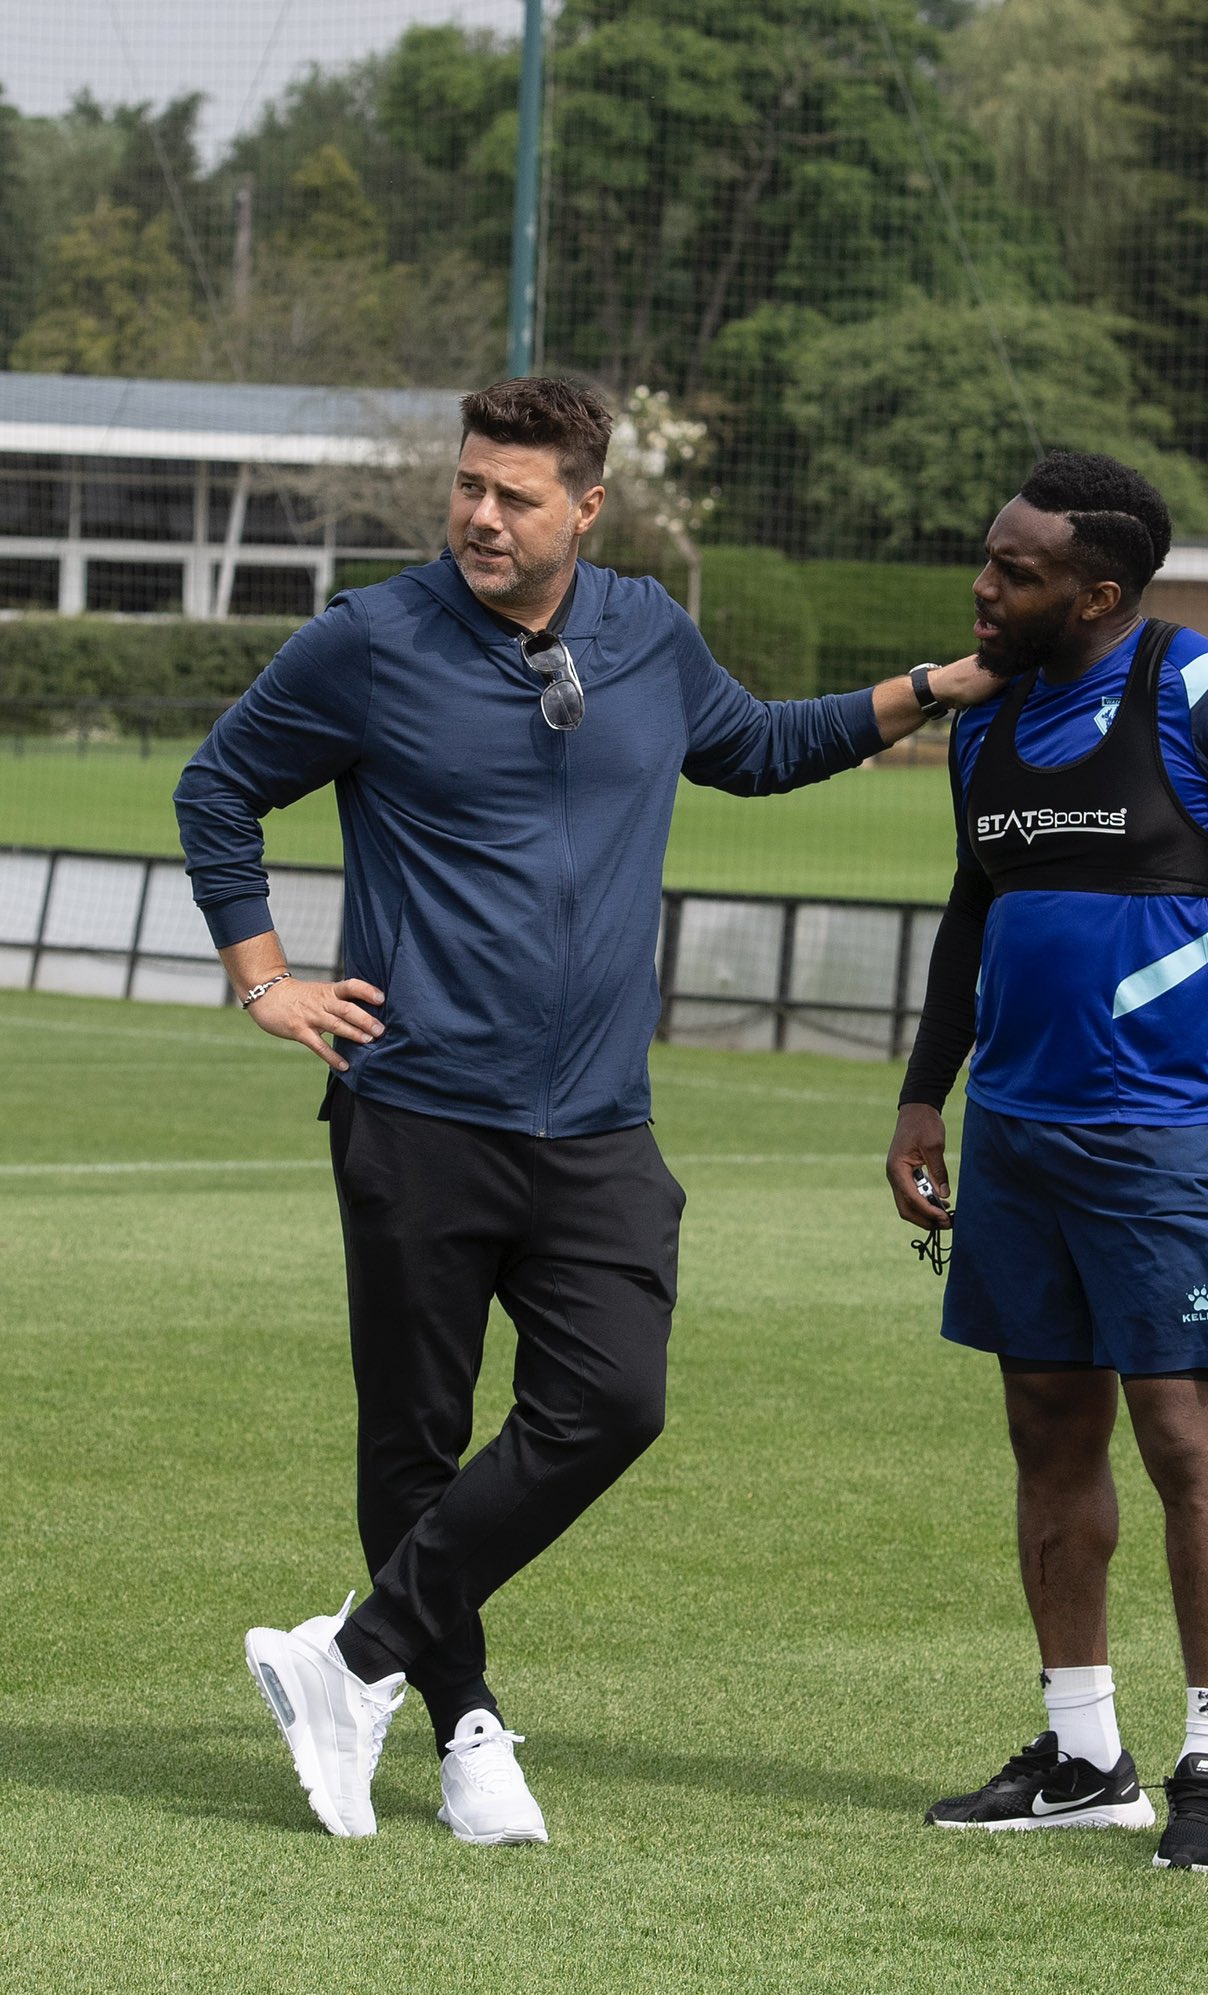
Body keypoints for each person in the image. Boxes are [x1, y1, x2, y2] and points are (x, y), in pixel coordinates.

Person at [175, 376, 1000, 1844]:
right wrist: (266, 982)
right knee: (415, 1440)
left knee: (615, 1402)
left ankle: (349, 1656)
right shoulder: (369, 641)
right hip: (418, 1109)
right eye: (469, 487)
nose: (482, 516)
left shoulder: (645, 632)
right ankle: (464, 1729)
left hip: (602, 1125)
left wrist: (936, 686)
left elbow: (756, 747)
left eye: (516, 495)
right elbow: (219, 788)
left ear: (589, 508)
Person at [885, 452, 1208, 1873]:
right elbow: (971, 913)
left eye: (1017, 573)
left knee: (1184, 1436)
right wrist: (926, 1099)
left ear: (1098, 591)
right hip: (1018, 1144)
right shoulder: (985, 723)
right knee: (1047, 1434)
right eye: (988, 560)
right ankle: (1082, 1753)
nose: (984, 591)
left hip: (1164, 1144)